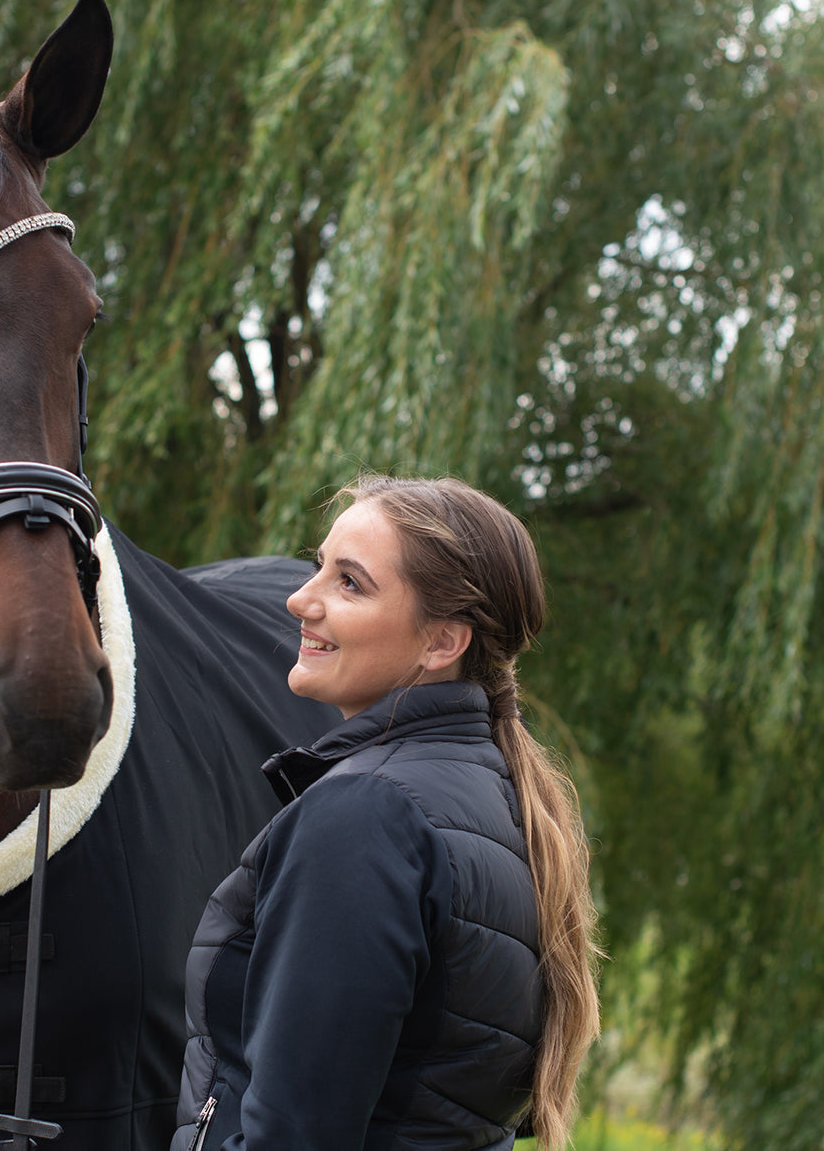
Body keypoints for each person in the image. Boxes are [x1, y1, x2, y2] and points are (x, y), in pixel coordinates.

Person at [171, 474, 600, 1151]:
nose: (299, 599)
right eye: (320, 568)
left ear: (441, 643)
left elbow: (295, 1135)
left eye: (350, 583)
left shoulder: (365, 817)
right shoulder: (494, 798)